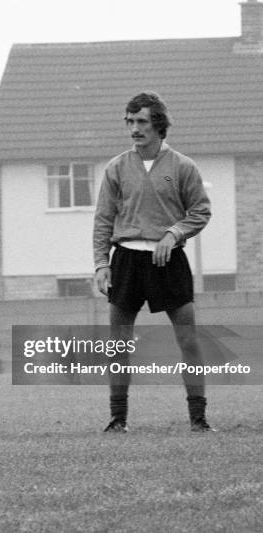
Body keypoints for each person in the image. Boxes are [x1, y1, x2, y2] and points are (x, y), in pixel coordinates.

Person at [93, 92, 214, 433]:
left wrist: (174, 233)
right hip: (126, 261)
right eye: (129, 122)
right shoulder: (116, 168)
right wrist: (102, 264)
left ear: (158, 124)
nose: (134, 129)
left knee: (189, 340)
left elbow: (201, 211)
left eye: (142, 121)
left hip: (168, 260)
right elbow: (103, 219)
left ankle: (199, 419)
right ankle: (118, 420)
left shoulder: (183, 166)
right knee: (118, 343)